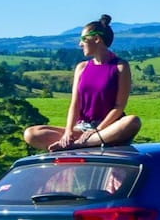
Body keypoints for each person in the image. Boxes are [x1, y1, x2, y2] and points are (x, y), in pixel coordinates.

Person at [23, 15, 142, 151]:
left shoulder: (120, 66)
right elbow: (75, 103)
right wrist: (68, 132)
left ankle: (79, 145)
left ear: (97, 39)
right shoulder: (82, 68)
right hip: (82, 128)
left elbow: (119, 106)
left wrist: (98, 129)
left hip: (108, 129)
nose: (80, 44)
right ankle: (81, 142)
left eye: (83, 39)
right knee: (31, 133)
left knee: (132, 121)